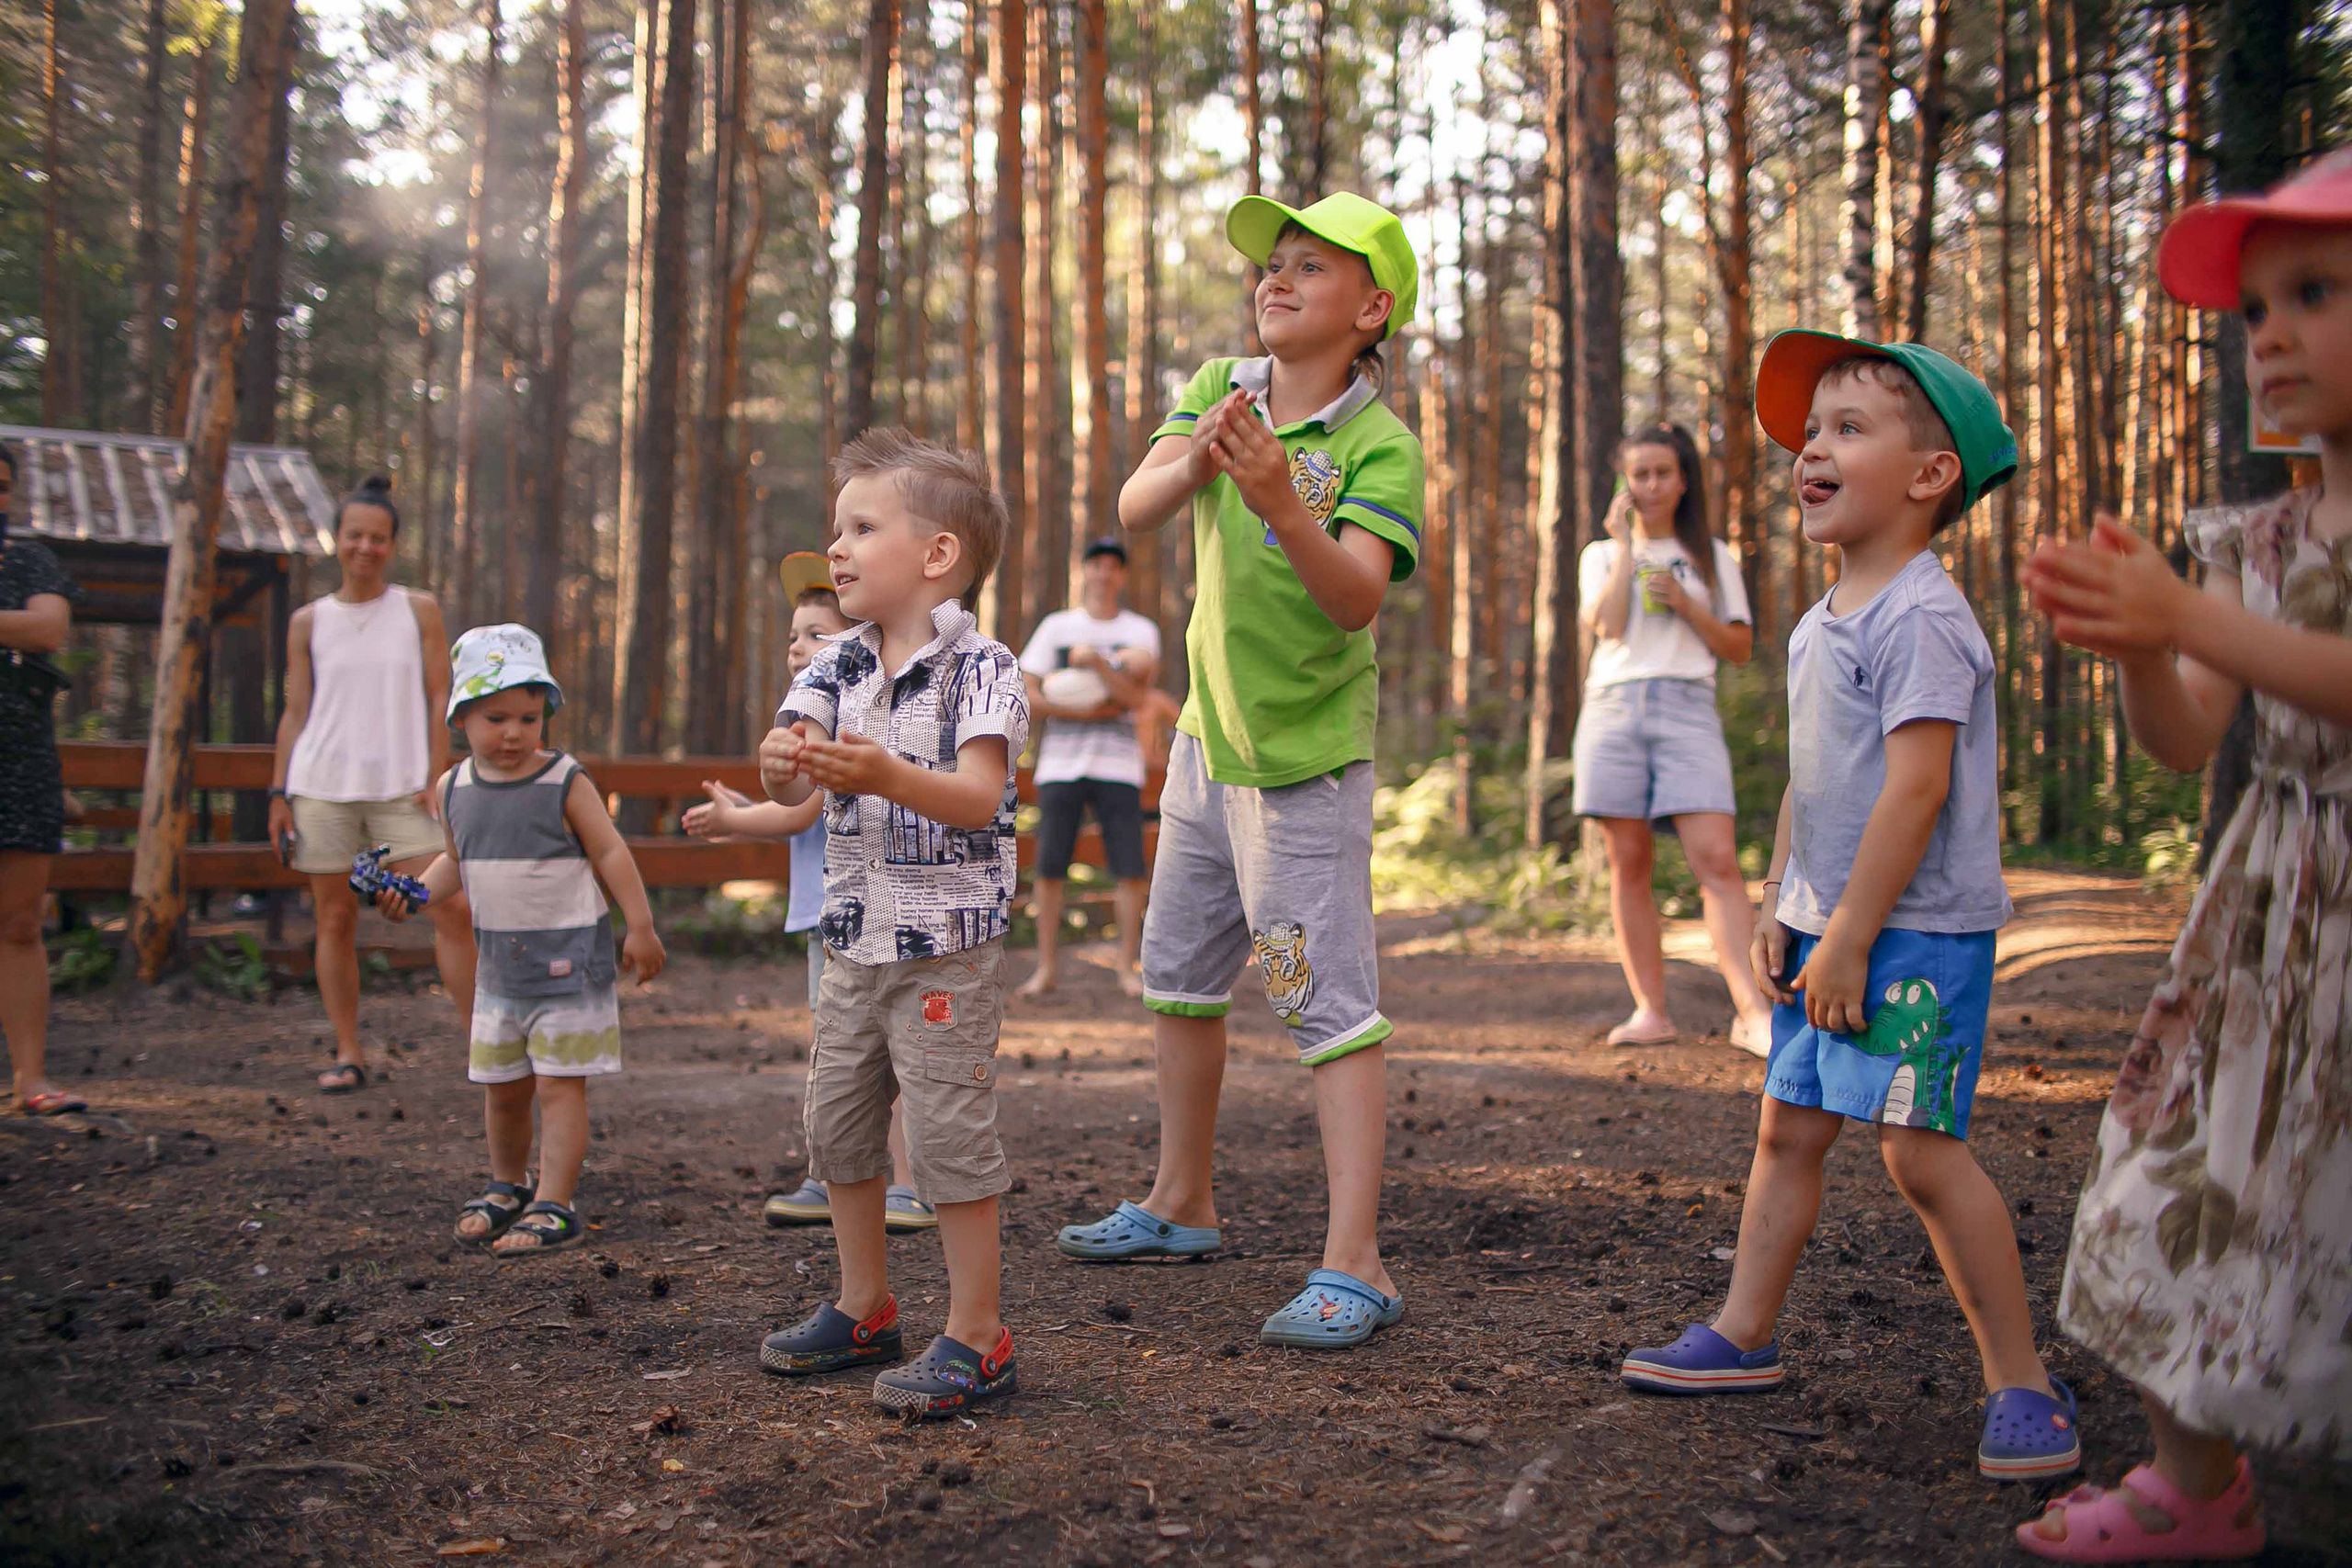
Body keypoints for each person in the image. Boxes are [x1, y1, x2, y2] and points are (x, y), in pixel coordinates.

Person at [1621, 333, 2084, 1483]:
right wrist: (1788, 904)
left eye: (1847, 429)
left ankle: (2022, 1383)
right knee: (1788, 1130)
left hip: (1913, 933)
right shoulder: (1820, 619)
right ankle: (1741, 1334)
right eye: (1810, 433)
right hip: (1828, 928)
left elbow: (1916, 790)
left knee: (1922, 1158)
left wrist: (1856, 938)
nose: (1811, 450)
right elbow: (1815, 777)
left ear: (1930, 478)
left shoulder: (1921, 618)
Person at [2011, 150, 2352, 1563]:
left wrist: (2188, 619)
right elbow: (2183, 738)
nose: (2266, 333)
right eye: (2254, 307)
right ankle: (2191, 1477)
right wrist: (2149, 648)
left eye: (2313, 293)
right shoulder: (2253, 538)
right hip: (2271, 919)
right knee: (2176, 1163)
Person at [1057, 192, 1426, 1351]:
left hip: (1302, 765)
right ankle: (1181, 1203)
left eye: (1309, 268)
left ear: (1368, 310)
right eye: (1272, 263)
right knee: (1176, 975)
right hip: (1205, 754)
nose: (1276, 279)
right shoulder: (1223, 381)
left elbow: (1356, 596)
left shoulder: (1378, 446)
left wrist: (1277, 496)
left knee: (1323, 1000)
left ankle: (1354, 1261)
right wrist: (1209, 451)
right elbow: (1138, 502)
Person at [754, 428, 1028, 1418]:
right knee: (837, 1126)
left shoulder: (984, 669)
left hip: (945, 950)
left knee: (950, 1138)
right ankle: (863, 1305)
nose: (837, 547)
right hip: (850, 941)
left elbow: (976, 796)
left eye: (861, 527)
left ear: (936, 555)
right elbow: (788, 754)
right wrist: (784, 764)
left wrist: (882, 774)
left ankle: (977, 1333)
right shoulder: (835, 664)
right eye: (837, 527)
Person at [379, 624, 665, 1258]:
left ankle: (554, 1201)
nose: (512, 732)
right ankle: (507, 1183)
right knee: (503, 1086)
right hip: (499, 973)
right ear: (461, 718)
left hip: (569, 965)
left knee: (560, 1085)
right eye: (495, 716)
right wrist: (417, 894)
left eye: (529, 717)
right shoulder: (455, 790)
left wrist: (640, 925)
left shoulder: (564, 780)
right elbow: (456, 861)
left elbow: (610, 849)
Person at [684, 556, 935, 1234]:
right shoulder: (805, 718)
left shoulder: (854, 714)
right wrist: (750, 799)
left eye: (816, 633)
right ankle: (836, 1177)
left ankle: (907, 1184)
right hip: (827, 916)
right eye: (794, 634)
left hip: (862, 915)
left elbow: (802, 812)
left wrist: (736, 821)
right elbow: (792, 801)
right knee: (840, 1052)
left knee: (885, 1051)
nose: (798, 646)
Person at [1572, 424, 1777, 1055]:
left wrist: (1688, 604)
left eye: (1663, 472)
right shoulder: (1601, 555)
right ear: (1624, 483)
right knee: (1628, 863)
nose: (1652, 484)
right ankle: (1650, 1011)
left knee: (1716, 859)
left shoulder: (1712, 555)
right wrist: (1626, 547)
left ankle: (1752, 1013)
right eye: (1640, 473)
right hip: (1613, 707)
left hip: (1688, 708)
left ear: (1684, 480)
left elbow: (1739, 648)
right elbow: (1604, 626)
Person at [268, 476, 477, 1093]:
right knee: (334, 919)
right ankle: (349, 1050)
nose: (366, 547)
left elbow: (442, 690)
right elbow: (295, 710)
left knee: (452, 906)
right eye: (355, 535)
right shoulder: (309, 621)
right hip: (321, 785)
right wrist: (278, 792)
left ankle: (481, 1048)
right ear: (338, 540)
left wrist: (437, 773)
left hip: (403, 787)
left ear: (392, 544)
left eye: (378, 538)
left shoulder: (418, 609)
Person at [1016, 536, 1161, 998]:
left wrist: (1098, 663)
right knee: (1050, 867)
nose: (1103, 573)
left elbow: (1140, 701)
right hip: (1060, 766)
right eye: (1096, 564)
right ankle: (1046, 969)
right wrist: (1086, 711)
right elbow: (1028, 695)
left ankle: (1126, 968)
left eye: (1112, 566)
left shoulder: (1141, 632)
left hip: (1120, 767)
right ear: (1086, 571)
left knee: (1128, 868)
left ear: (1122, 575)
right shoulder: (1056, 628)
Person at [0, 440, 86, 1117]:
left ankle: (30, 1076)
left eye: (2, 485)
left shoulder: (30, 560)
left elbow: (48, 625)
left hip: (22, 761)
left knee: (22, 922)